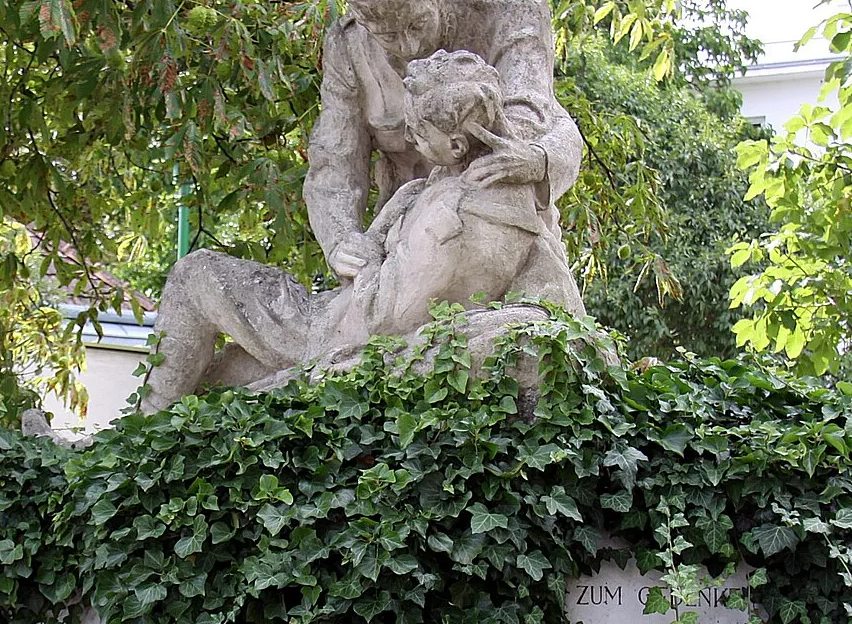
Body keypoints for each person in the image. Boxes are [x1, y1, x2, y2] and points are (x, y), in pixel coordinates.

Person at [139, 50, 578, 412]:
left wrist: (367, 265)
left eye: (417, 133)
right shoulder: (465, 186)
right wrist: (365, 237)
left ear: (456, 146)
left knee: (196, 274)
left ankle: (139, 437)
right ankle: (140, 437)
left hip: (328, 332)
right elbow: (559, 129)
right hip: (336, 322)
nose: (408, 141)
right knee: (212, 380)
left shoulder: (460, 217)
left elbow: (390, 319)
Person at [304, 0, 582, 289]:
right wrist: (341, 239)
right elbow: (334, 160)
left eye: (417, 24)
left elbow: (535, 119)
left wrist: (534, 158)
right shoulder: (349, 44)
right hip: (405, 244)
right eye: (388, 36)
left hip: (501, 221)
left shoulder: (510, 11)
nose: (409, 45)